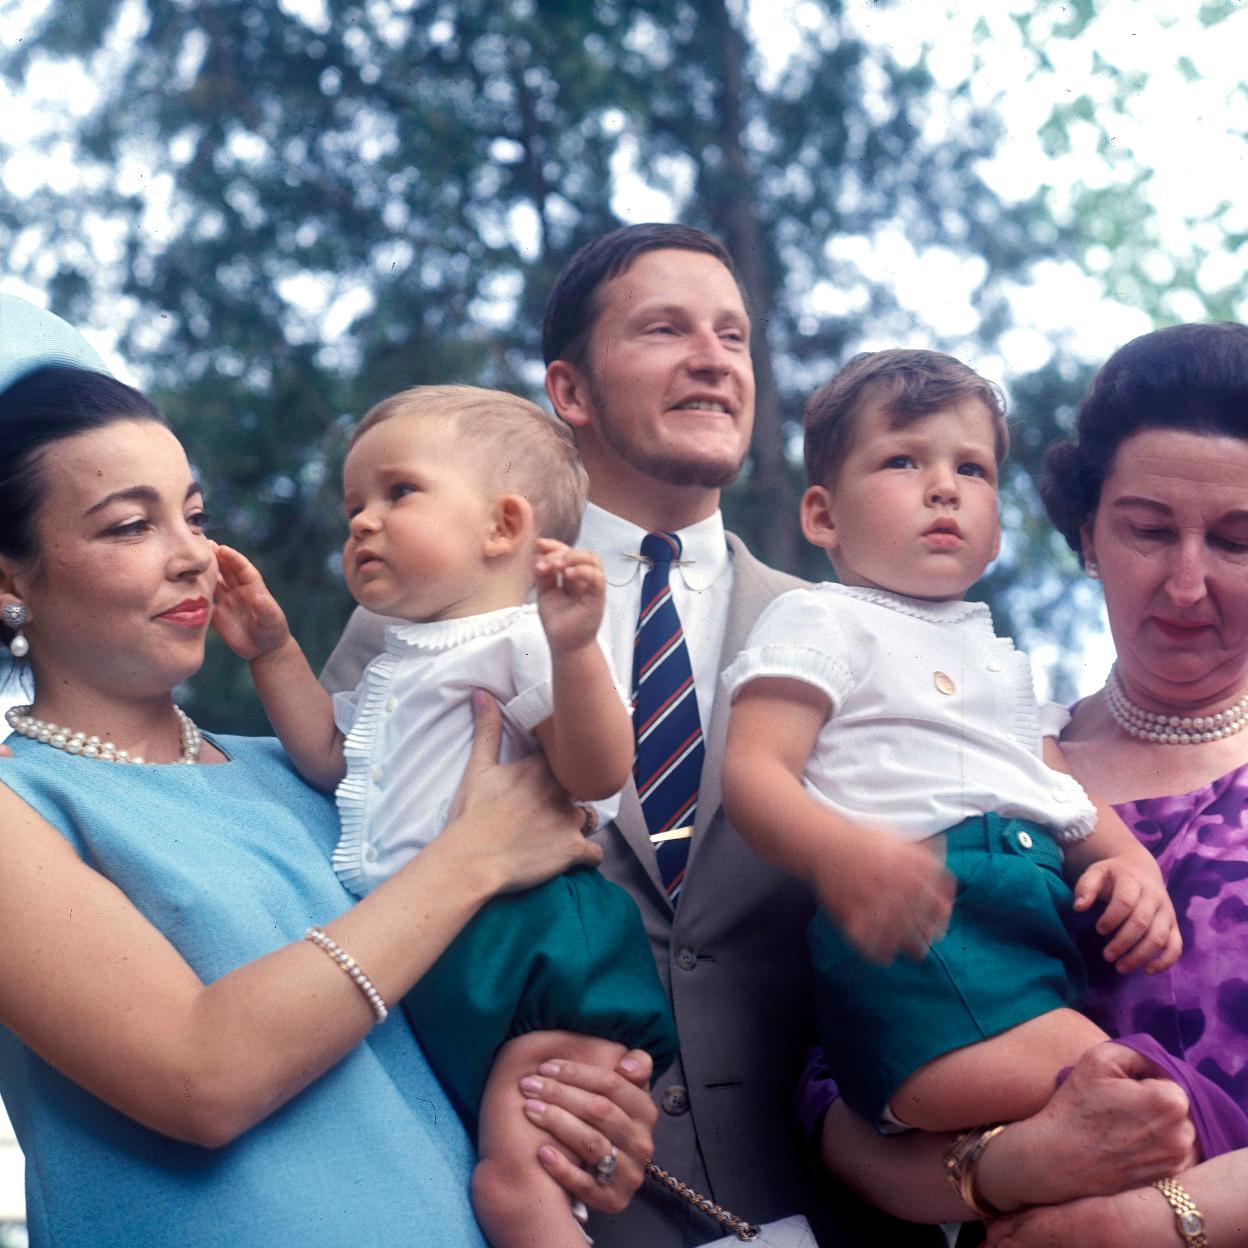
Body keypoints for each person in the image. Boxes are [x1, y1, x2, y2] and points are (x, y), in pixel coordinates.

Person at [321, 225, 922, 1245]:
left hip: (840, 1209)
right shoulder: (421, 611)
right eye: (665, 329)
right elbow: (336, 873)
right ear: (571, 390)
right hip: (545, 1201)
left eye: (733, 335)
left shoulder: (848, 636)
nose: (713, 358)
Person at [0, 339, 660, 1247]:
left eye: (195, 516)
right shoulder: (23, 804)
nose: (194, 555)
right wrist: (473, 857)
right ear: (10, 577)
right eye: (128, 525)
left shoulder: (314, 775)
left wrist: (570, 1113)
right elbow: (201, 1078)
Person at [210, 383, 678, 1248]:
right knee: (480, 1166)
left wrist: (575, 651)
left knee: (517, 1187)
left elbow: (598, 771)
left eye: (398, 493)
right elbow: (326, 760)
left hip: (530, 943)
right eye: (353, 504)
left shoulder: (522, 638)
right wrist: (275, 652)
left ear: (503, 526)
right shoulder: (398, 661)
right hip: (436, 946)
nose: (361, 521)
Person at [721, 348, 1181, 1134]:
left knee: (1119, 1130)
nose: (944, 486)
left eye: (972, 470)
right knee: (1151, 1099)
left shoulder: (995, 657)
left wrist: (1131, 864)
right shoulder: (823, 619)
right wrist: (839, 854)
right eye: (902, 460)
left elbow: (1060, 793)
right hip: (927, 932)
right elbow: (754, 770)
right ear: (823, 515)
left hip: (1026, 943)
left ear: (998, 528)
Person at [986, 319, 1248, 1245]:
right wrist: (1000, 1172)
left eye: (1235, 540)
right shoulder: (989, 766)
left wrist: (1135, 1224)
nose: (1185, 584)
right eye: (1147, 530)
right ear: (1088, 533)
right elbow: (843, 1088)